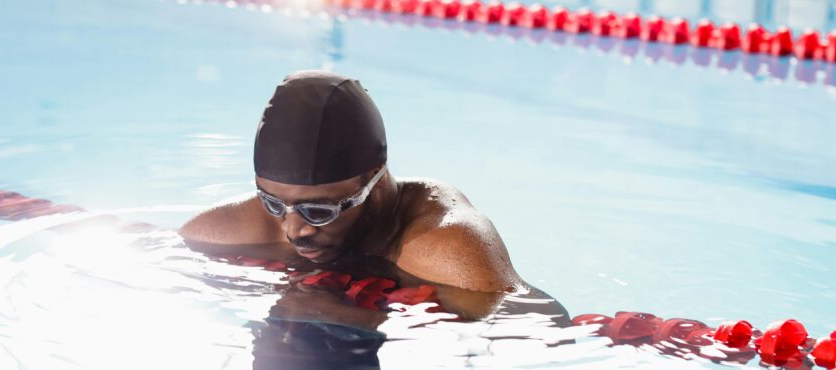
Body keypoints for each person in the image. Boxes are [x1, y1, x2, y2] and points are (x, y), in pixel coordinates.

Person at [179, 70, 565, 322]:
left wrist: (353, 318)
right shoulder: (230, 228)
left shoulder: (444, 245)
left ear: (375, 180)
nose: (294, 230)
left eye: (319, 210)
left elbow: (543, 332)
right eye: (274, 203)